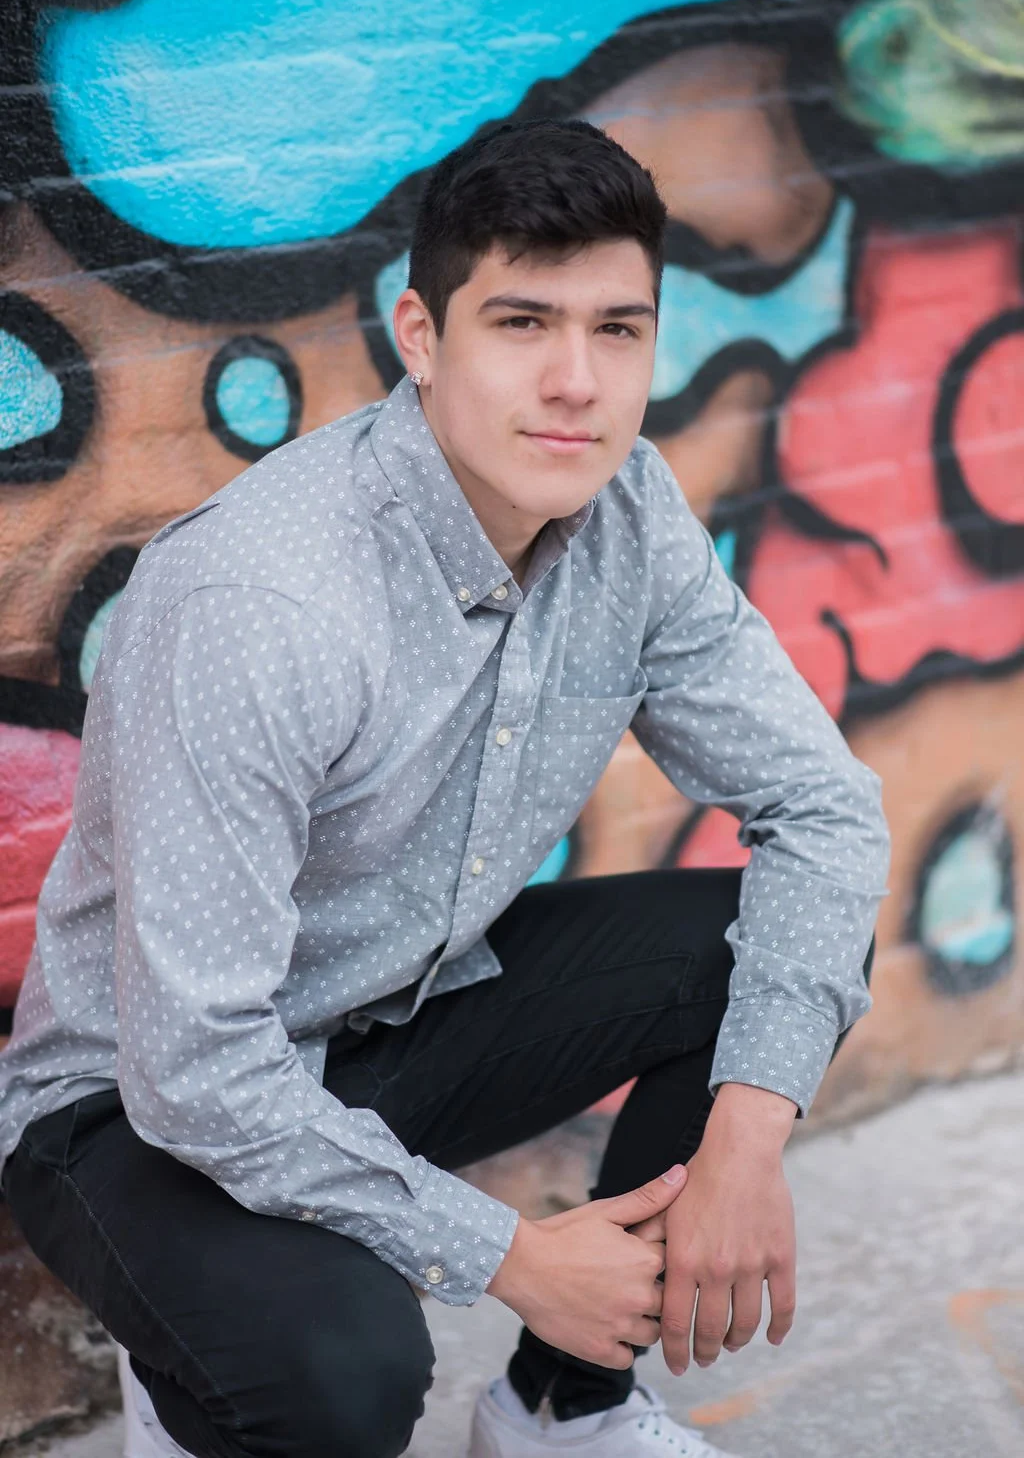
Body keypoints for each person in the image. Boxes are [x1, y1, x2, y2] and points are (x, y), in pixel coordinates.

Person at [0, 117, 889, 1458]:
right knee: (340, 1371)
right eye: (522, 321)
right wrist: (515, 1255)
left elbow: (825, 811)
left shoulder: (628, 518)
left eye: (618, 329)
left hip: (391, 1017)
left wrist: (749, 1140)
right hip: (134, 1105)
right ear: (421, 337)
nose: (577, 382)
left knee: (754, 951)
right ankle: (193, 1368)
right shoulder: (265, 603)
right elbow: (193, 1069)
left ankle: (559, 1414)